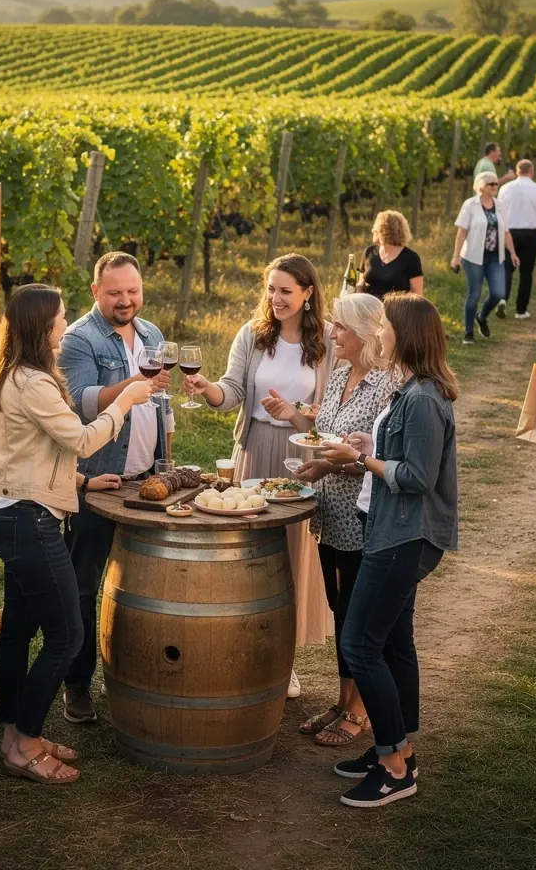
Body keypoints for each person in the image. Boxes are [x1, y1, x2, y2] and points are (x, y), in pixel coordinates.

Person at [0, 283, 153, 784]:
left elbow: (28, 450)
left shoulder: (13, 372)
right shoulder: (33, 382)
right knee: (67, 635)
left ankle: (13, 736)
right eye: (60, 316)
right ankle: (28, 743)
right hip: (31, 522)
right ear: (44, 325)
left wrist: (81, 482)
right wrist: (125, 399)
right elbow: (80, 439)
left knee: (17, 630)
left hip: (12, 511)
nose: (66, 322)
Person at [318, 293, 458, 809]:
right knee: (395, 644)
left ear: (406, 335)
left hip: (403, 535)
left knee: (359, 645)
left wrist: (363, 460)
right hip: (391, 529)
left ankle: (395, 768)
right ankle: (395, 749)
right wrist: (370, 446)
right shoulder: (412, 390)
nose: (378, 333)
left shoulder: (421, 397)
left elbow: (417, 477)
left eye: (386, 327)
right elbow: (404, 455)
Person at [185, 253, 339, 698]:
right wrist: (207, 388)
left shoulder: (327, 341)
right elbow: (232, 391)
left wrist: (295, 415)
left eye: (285, 291)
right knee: (250, 558)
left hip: (301, 459)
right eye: (270, 289)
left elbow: (329, 411)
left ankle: (282, 663)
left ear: (308, 293)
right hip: (253, 455)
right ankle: (243, 652)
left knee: (290, 559)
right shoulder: (253, 336)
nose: (275, 299)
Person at [262, 293, 394, 746]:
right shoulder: (339, 374)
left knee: (359, 614)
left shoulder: (385, 384)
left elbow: (376, 456)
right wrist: (295, 418)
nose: (332, 333)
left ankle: (361, 712)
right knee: (341, 609)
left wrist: (329, 465)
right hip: (328, 512)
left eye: (340, 327)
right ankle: (343, 700)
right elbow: (327, 436)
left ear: (363, 333)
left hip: (360, 512)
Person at [56, 252, 173, 725]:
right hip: (98, 482)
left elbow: (161, 403)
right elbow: (81, 403)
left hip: (147, 478)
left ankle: (141, 673)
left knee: (148, 583)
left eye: (133, 291)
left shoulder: (152, 334)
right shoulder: (77, 339)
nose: (126, 301)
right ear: (95, 291)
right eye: (115, 293)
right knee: (83, 586)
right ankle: (77, 684)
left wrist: (168, 456)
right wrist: (133, 384)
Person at [450, 172, 520, 344]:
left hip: (495, 256)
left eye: (496, 184)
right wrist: (456, 257)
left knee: (498, 293)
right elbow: (461, 232)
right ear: (481, 186)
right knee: (474, 293)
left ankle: (481, 317)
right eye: (491, 184)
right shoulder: (470, 205)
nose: (495, 187)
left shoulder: (500, 205)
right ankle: (468, 333)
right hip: (473, 256)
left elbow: (506, 232)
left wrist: (512, 252)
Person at [498, 159, 536, 319]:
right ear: (532, 171)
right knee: (526, 272)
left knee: (507, 268)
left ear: (517, 171)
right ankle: (521, 310)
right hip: (530, 235)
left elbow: (499, 212)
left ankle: (502, 299)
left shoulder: (505, 189)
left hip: (509, 233)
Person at [357, 210, 424, 299]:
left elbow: (417, 294)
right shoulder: (369, 252)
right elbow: (362, 281)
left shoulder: (411, 258)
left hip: (398, 310)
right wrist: (358, 292)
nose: (373, 230)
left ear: (384, 231)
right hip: (370, 308)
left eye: (377, 228)